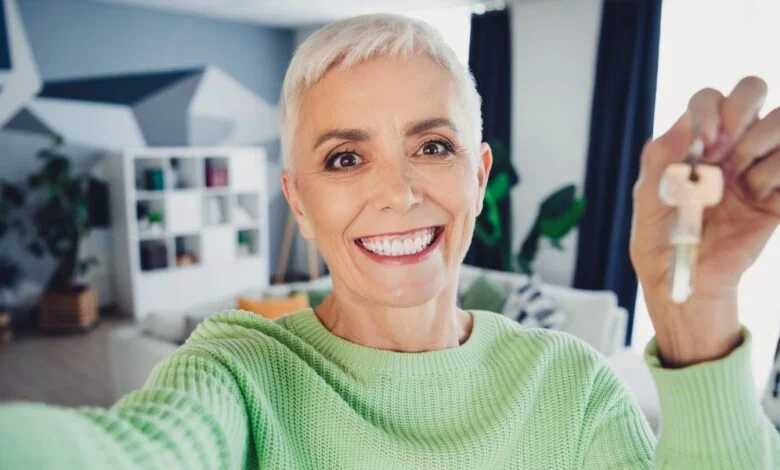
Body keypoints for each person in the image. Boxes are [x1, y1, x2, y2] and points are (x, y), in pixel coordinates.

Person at [1, 13, 779, 469]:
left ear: (479, 175)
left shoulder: (571, 387)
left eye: (432, 146)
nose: (399, 193)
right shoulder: (237, 370)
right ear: (299, 203)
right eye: (345, 158)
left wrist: (698, 311)